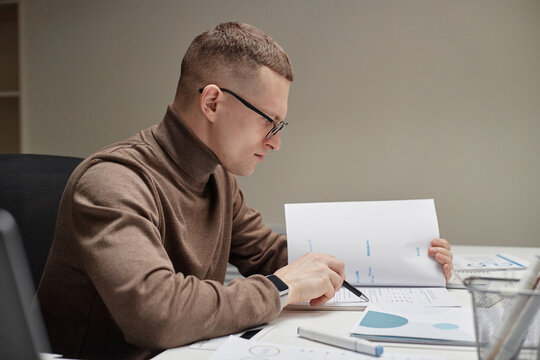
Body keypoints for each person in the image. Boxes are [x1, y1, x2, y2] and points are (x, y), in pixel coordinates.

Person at [37, 22, 453, 359]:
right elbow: (157, 314)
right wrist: (281, 288)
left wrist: (412, 257)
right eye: (268, 122)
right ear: (213, 103)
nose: (275, 142)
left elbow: (274, 256)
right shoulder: (112, 182)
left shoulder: (217, 178)